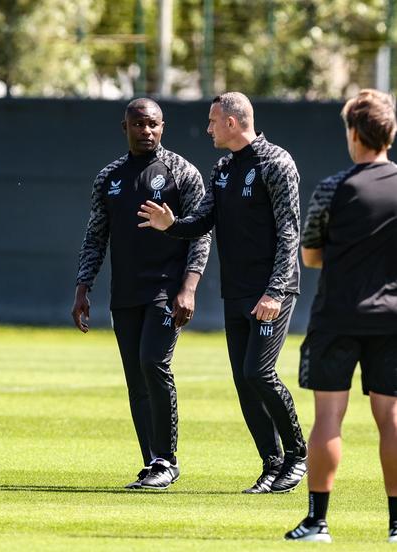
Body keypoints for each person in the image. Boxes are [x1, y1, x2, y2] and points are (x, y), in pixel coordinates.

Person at [138, 92, 308, 493]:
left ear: (232, 122)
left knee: (259, 373)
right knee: (243, 380)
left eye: (213, 121)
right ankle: (271, 464)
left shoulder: (276, 162)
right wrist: (171, 224)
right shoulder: (223, 168)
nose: (208, 128)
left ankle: (297, 455)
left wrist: (276, 291)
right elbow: (203, 221)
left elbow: (289, 232)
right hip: (237, 291)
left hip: (271, 292)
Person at [72, 98, 211, 490]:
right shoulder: (109, 177)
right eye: (138, 125)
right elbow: (96, 235)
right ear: (125, 127)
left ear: (162, 126)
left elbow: (200, 232)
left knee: (154, 363)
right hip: (126, 293)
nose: (146, 131)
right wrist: (83, 288)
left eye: (152, 124)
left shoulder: (182, 172)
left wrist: (189, 287)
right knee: (136, 377)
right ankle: (151, 462)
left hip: (167, 290)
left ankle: (168, 460)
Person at [284, 89, 397, 543]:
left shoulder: (334, 187)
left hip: (337, 315)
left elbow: (310, 256)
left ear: (354, 133)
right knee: (390, 418)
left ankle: (317, 522)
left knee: (328, 417)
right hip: (392, 319)